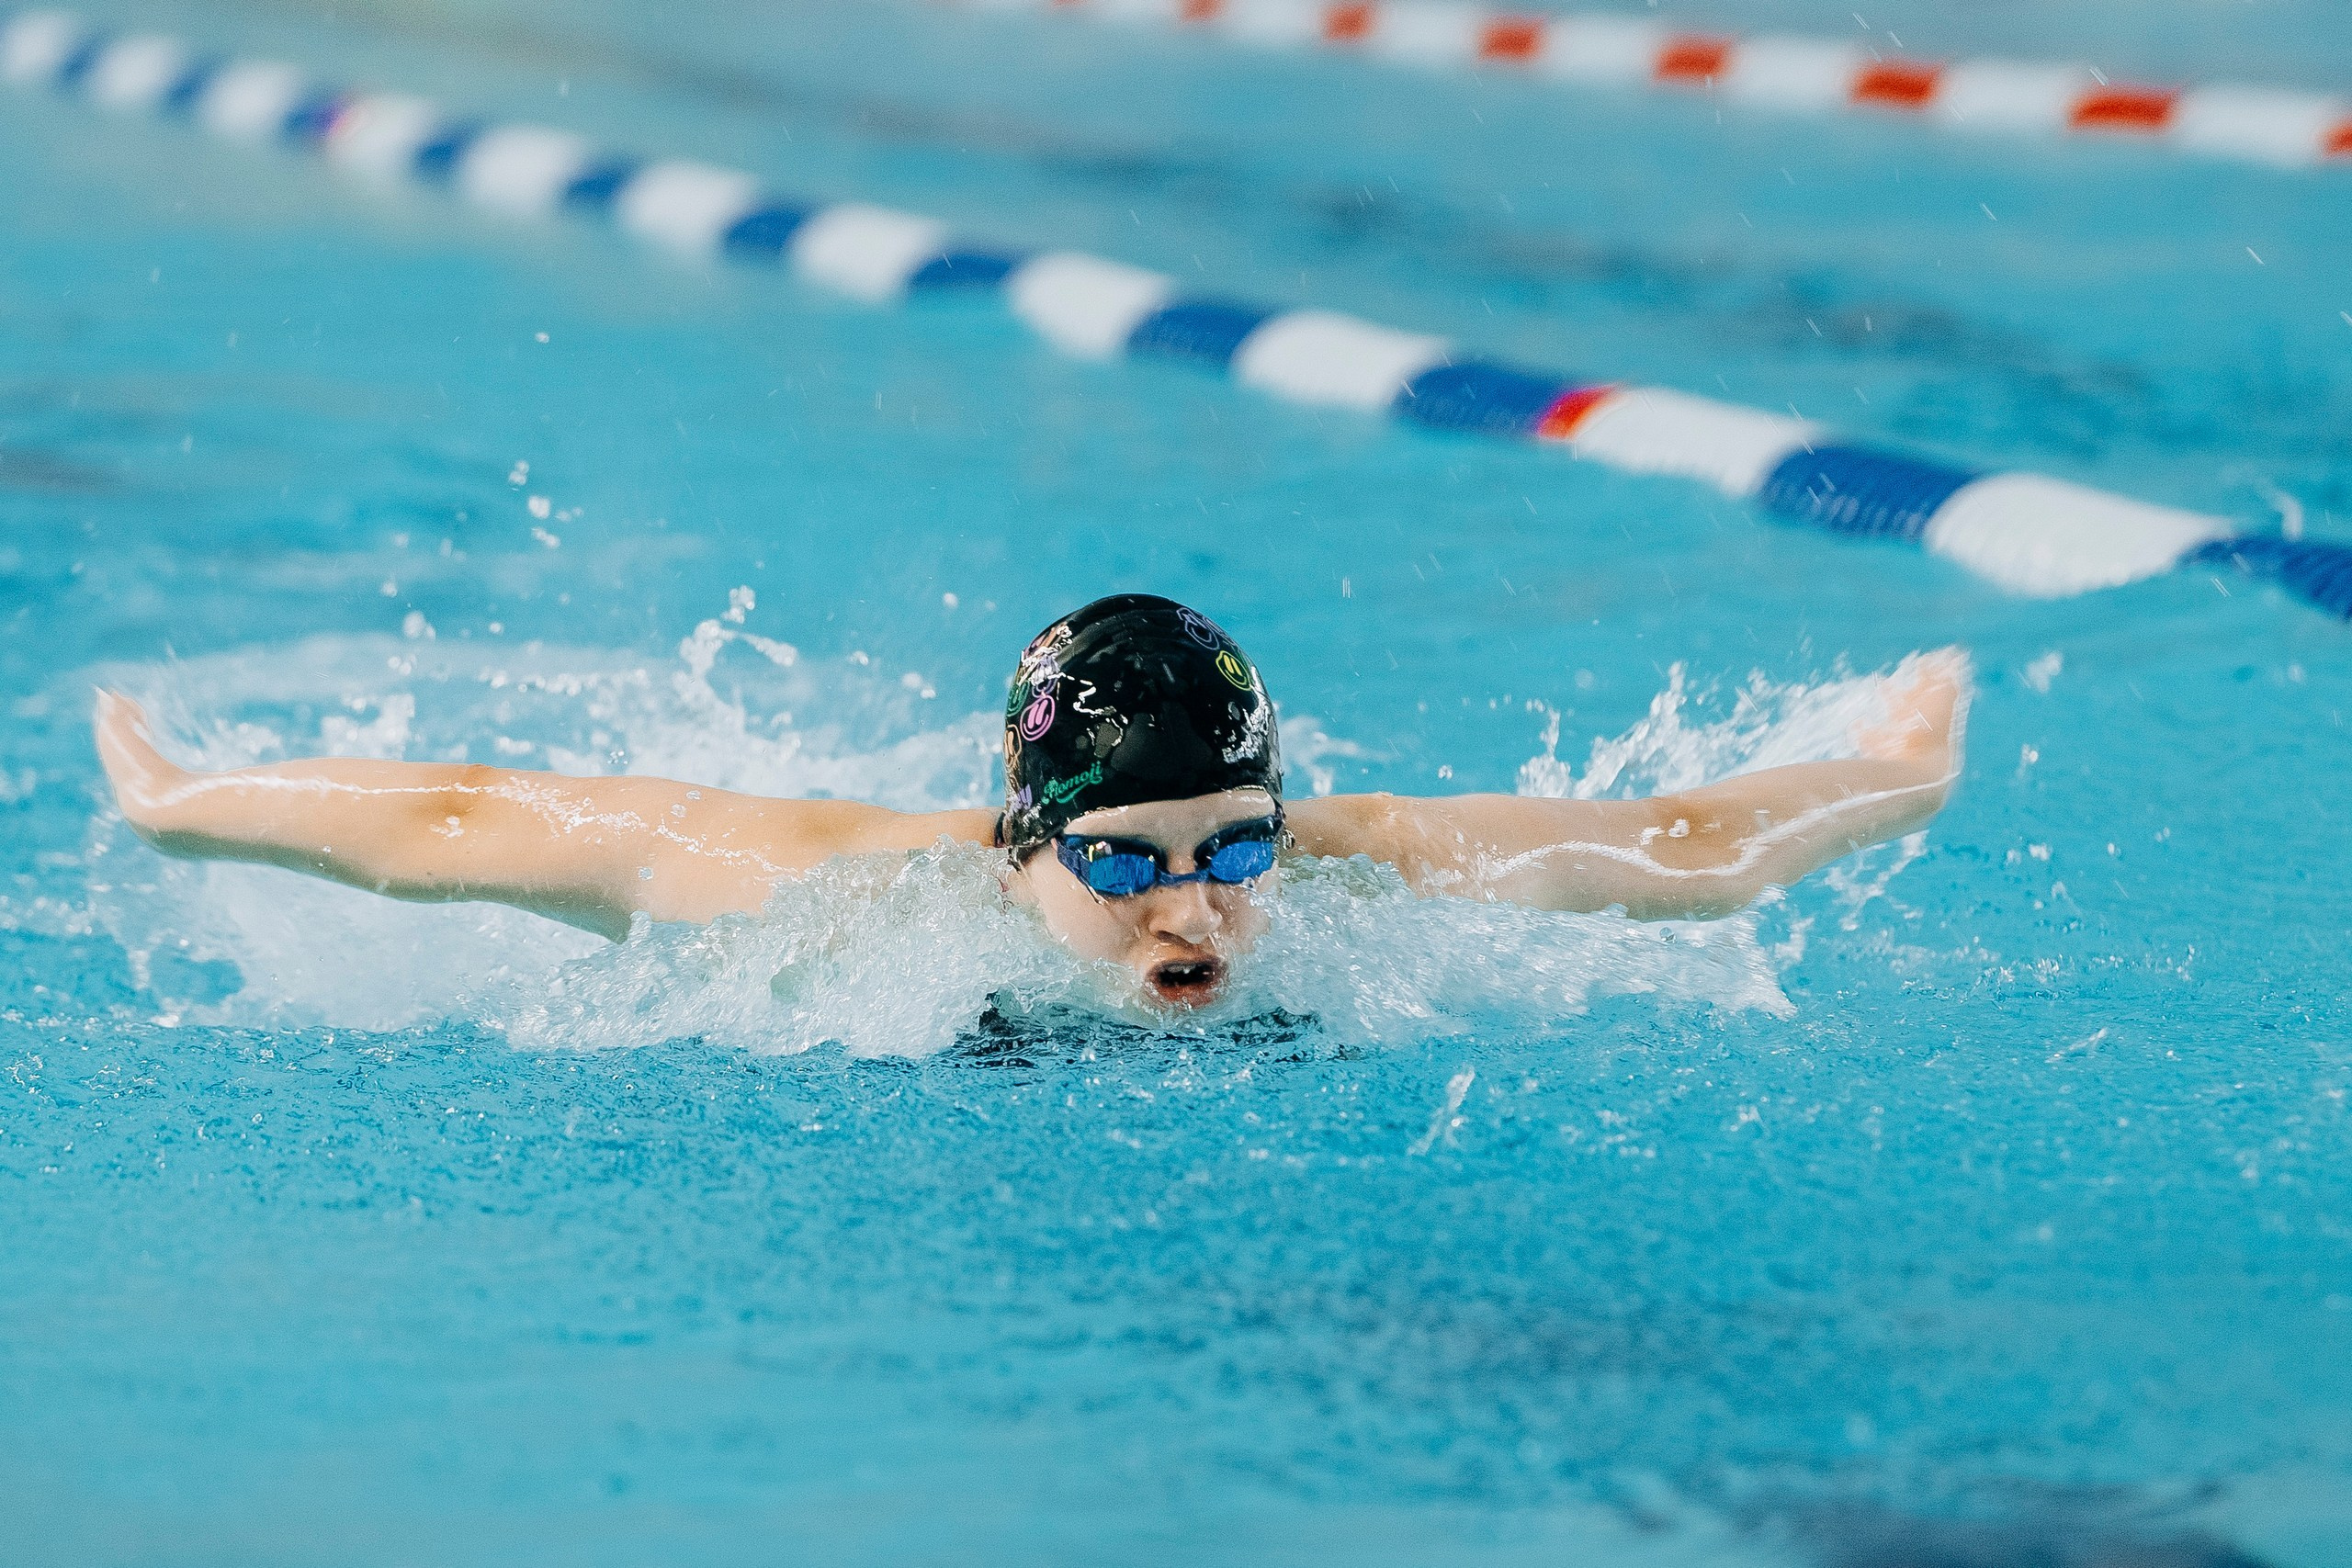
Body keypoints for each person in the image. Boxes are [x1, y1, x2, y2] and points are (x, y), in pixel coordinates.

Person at [95, 594, 1968, 1011]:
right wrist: (196, 802)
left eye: (1238, 845)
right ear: (1019, 844)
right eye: (1128, 863)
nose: (1198, 911)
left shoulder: (1365, 871)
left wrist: (1892, 777)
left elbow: (1687, 847)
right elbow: (471, 823)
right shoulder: (837, 900)